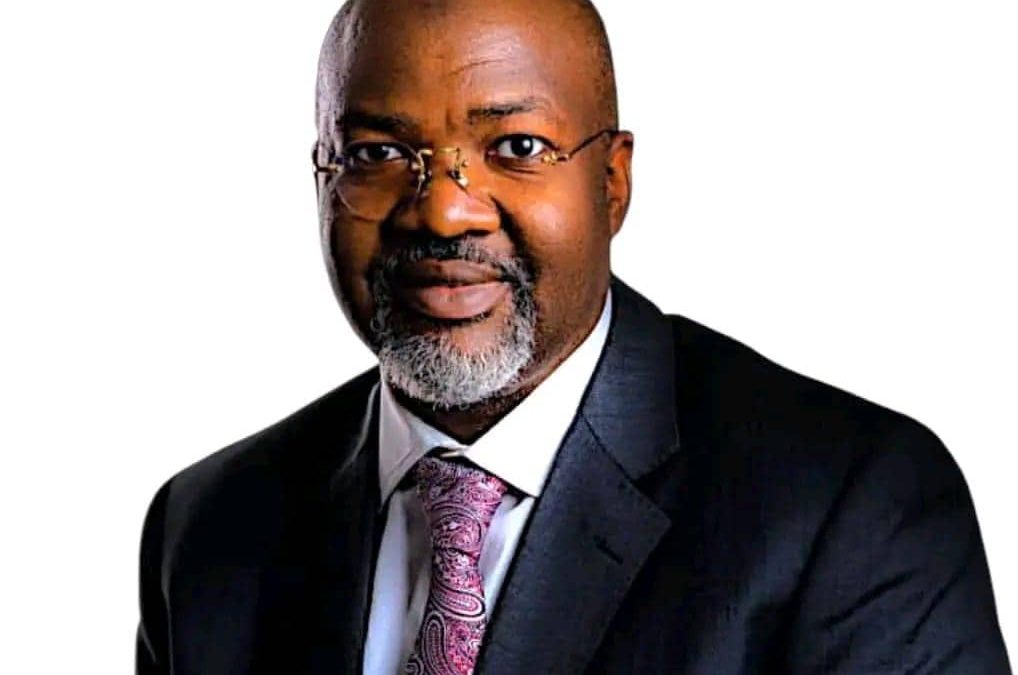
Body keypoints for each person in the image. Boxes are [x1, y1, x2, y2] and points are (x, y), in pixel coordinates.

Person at [135, 0, 1013, 672]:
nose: (443, 210)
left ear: (613, 183)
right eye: (375, 154)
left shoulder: (853, 505)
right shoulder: (207, 530)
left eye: (516, 146)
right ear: (320, 179)